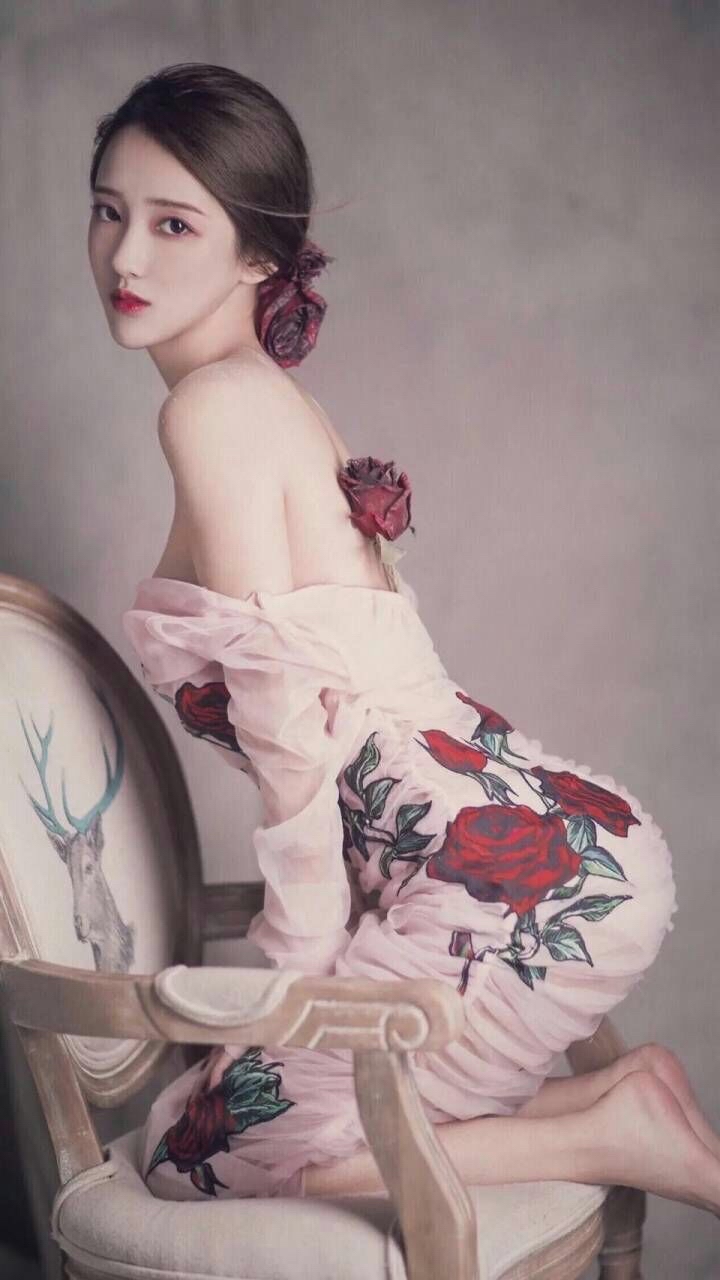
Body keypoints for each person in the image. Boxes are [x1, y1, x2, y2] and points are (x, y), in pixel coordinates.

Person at [89, 62, 719, 1215]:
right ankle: (614, 1100)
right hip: (551, 847)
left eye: (173, 224)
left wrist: (297, 966)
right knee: (204, 1128)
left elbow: (287, 715)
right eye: (108, 210)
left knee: (195, 1158)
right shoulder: (273, 403)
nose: (126, 257)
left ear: (258, 254)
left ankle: (615, 1126)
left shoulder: (213, 409)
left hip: (496, 891)